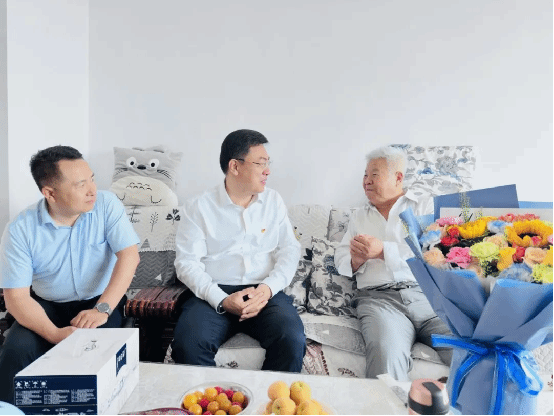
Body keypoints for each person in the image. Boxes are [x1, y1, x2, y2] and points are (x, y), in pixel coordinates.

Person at [0, 146, 140, 404]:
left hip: (99, 301)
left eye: (92, 179)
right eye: (80, 184)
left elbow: (129, 256)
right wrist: (55, 335)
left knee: (96, 352)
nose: (92, 190)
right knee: (15, 352)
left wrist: (102, 309)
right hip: (46, 305)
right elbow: (17, 298)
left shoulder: (106, 204)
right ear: (50, 193)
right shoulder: (21, 229)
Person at [172, 129, 305, 372]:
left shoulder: (273, 201)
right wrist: (222, 299)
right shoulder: (198, 207)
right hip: (212, 293)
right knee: (188, 345)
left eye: (268, 163)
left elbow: (289, 249)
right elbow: (187, 264)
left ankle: (267, 396)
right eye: (260, 163)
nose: (267, 171)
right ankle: (215, 397)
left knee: (291, 340)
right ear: (235, 166)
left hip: (263, 292)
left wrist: (267, 289)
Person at [335, 146, 452, 381]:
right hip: (380, 302)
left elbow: (434, 254)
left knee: (470, 349)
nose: (366, 181)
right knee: (385, 357)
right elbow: (340, 259)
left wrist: (382, 251)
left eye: (374, 175)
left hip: (430, 299)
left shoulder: (424, 208)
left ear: (398, 178)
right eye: (365, 175)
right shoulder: (359, 217)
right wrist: (355, 260)